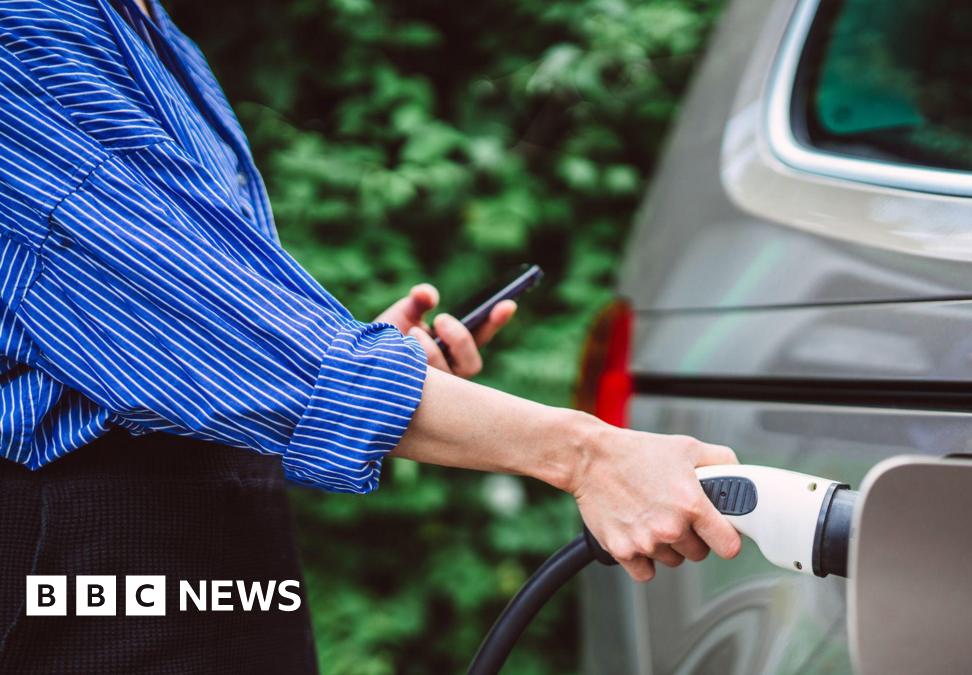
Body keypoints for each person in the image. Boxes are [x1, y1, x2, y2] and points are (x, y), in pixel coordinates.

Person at [0, 1, 741, 672]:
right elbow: (214, 327)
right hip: (88, 552)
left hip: (204, 521)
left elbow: (207, 326)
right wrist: (591, 453)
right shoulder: (24, 32)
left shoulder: (149, 29)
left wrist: (371, 364)